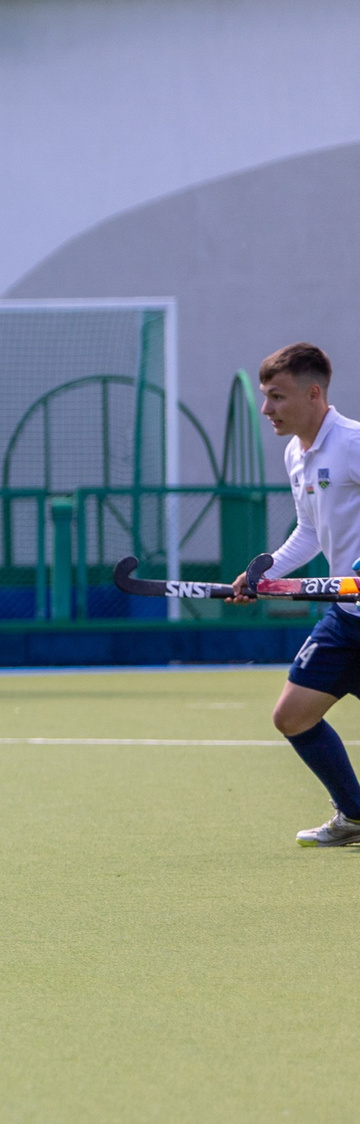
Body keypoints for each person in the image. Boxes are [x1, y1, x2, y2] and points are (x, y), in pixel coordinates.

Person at [227, 343, 360, 845]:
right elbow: (308, 531)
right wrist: (264, 571)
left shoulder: (351, 443)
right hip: (346, 615)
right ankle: (355, 815)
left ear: (314, 393)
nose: (267, 410)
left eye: (277, 397)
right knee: (292, 715)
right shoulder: (295, 454)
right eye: (265, 397)